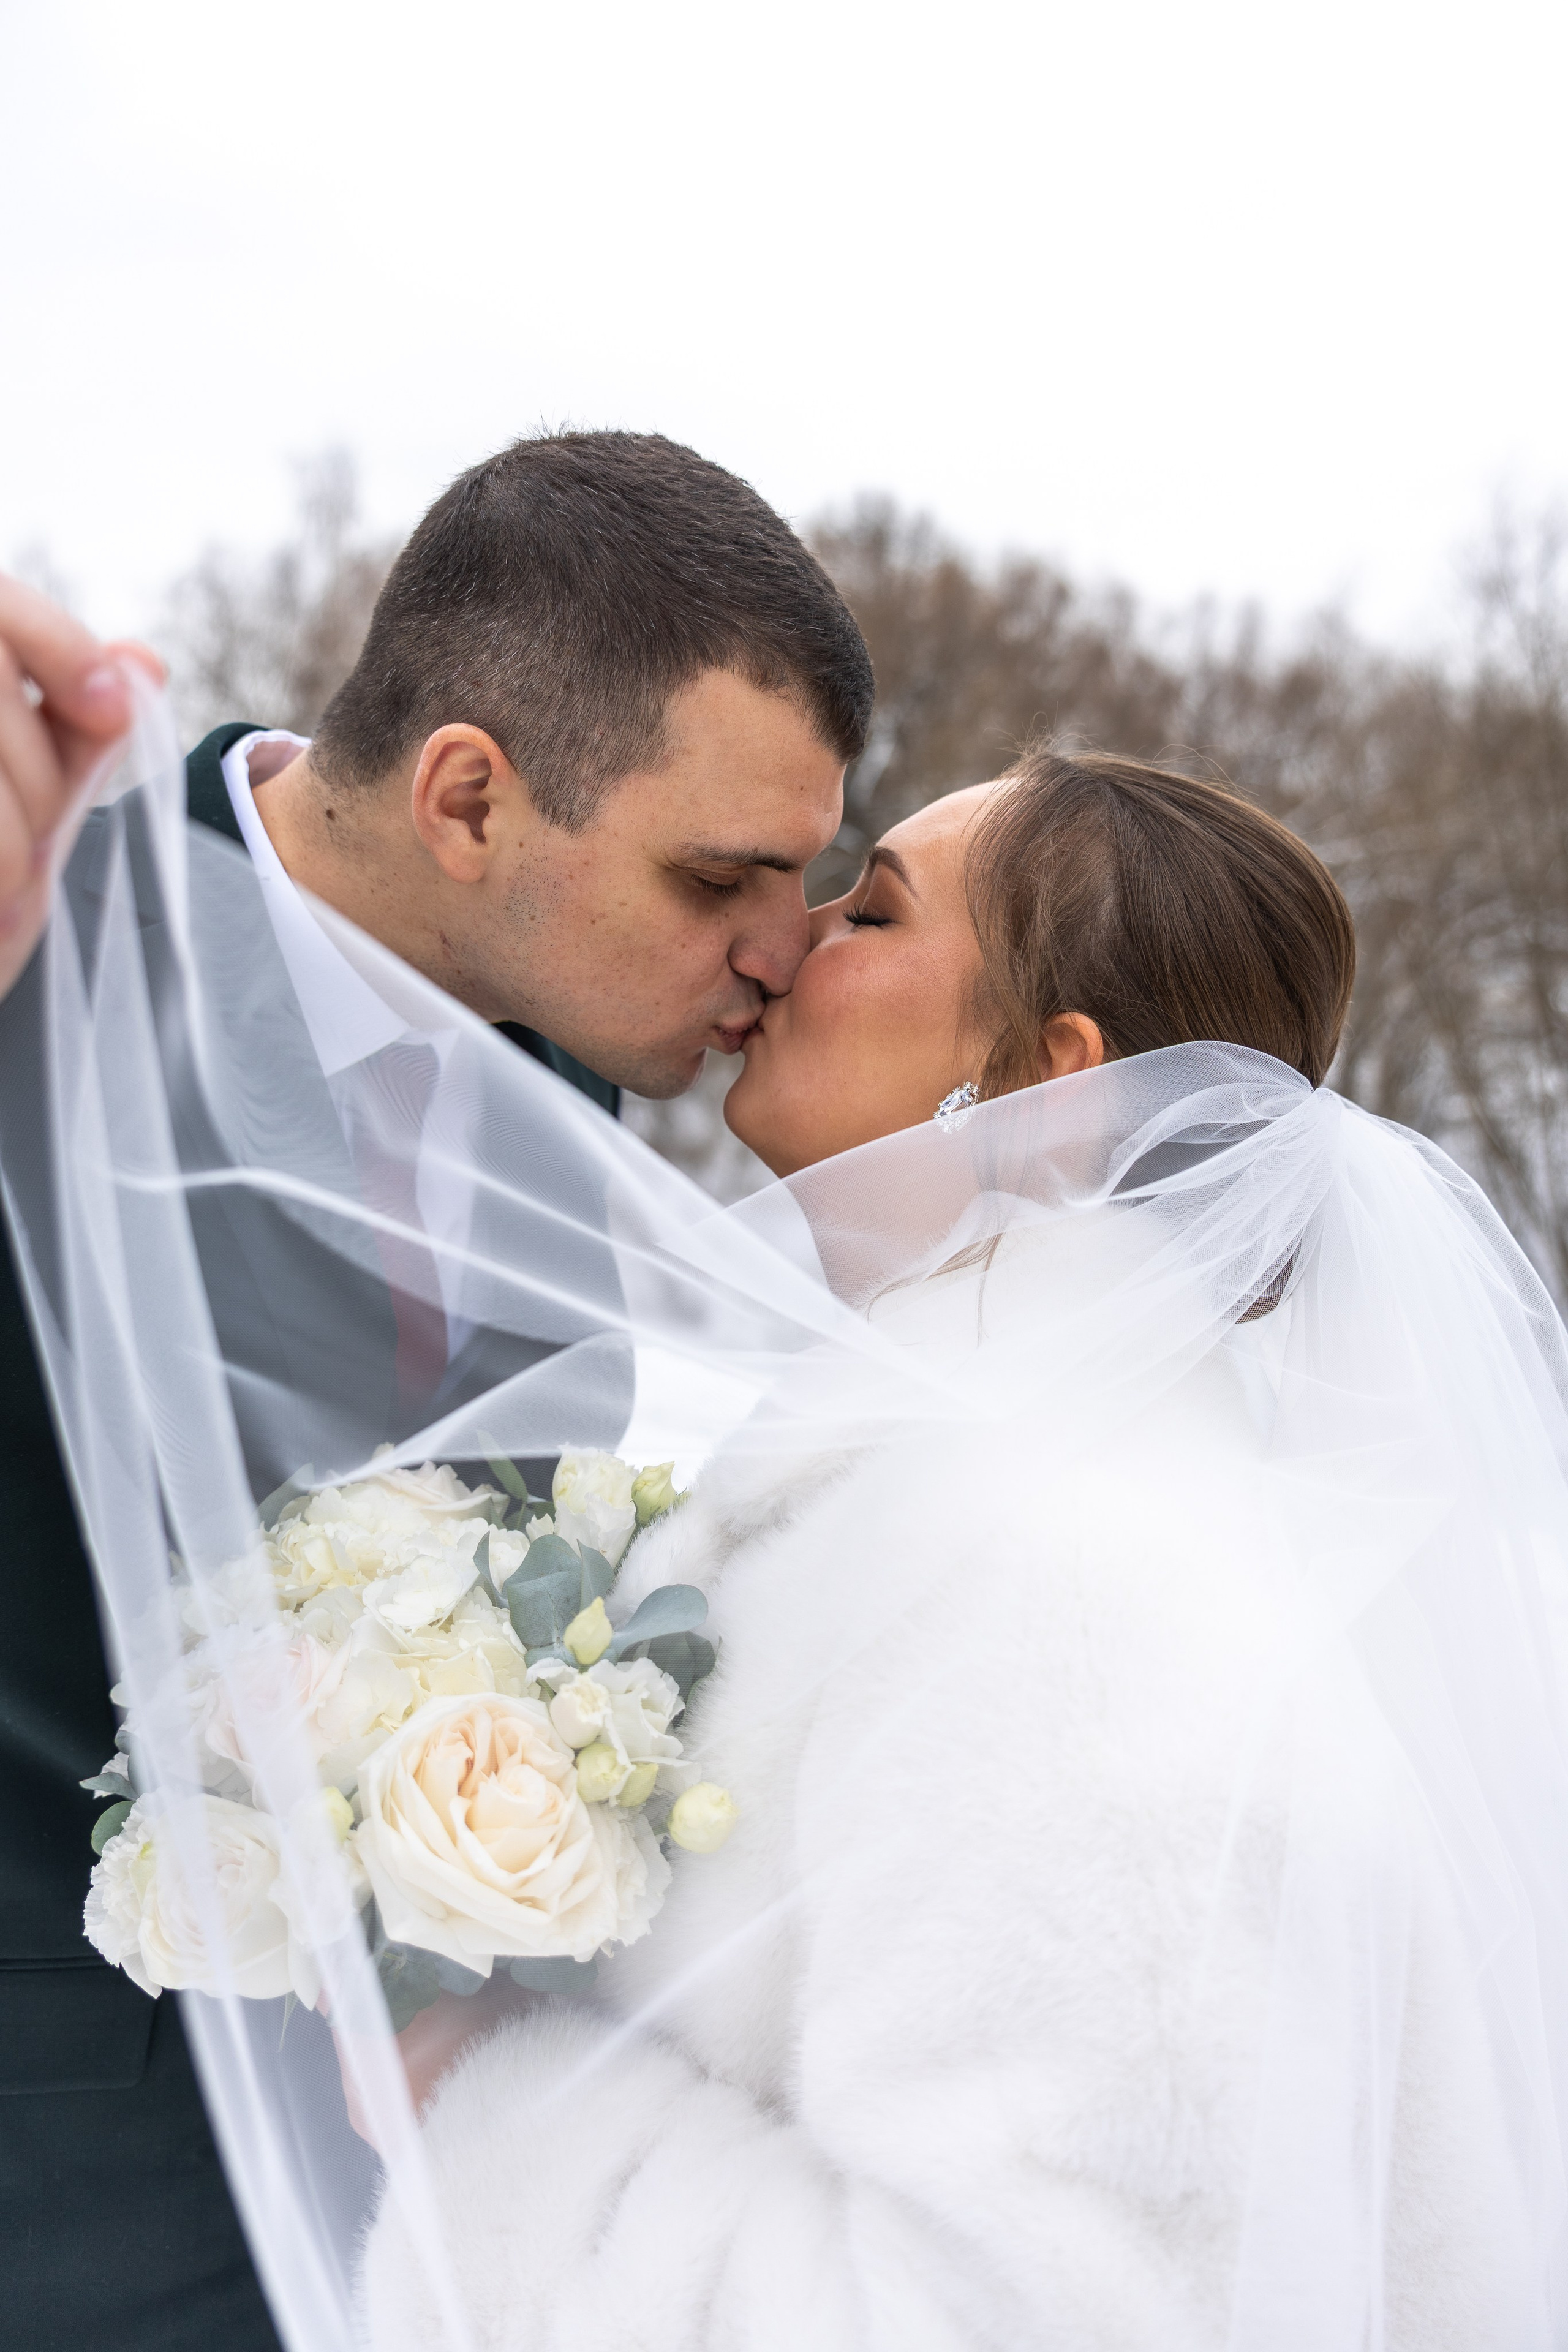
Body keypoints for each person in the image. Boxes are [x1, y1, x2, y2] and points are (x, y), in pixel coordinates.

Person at [348, 752, 1568, 2348]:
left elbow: (1041, 2313)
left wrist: (487, 2109)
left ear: (1045, 1088)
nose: (782, 944)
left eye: (872, 912)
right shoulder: (933, 1504)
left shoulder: (1071, 1582)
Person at [0, 431, 873, 2352]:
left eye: (802, 881)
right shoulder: (41, 920)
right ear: (470, 793)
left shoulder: (567, 1100)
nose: (780, 952)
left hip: (432, 2213)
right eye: (719, 876)